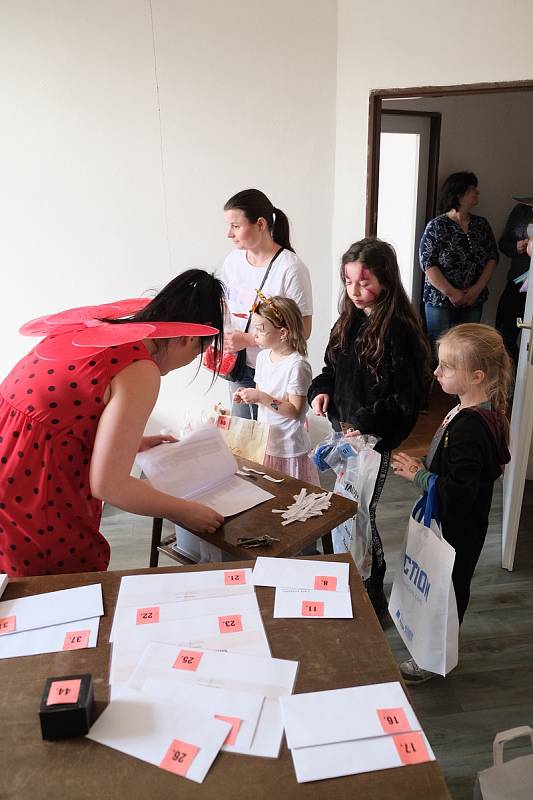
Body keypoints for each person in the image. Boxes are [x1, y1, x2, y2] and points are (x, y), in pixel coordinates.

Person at [0, 269, 226, 577]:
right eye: (200, 351)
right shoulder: (139, 369)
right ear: (189, 338)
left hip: (10, 458)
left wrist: (131, 443)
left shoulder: (93, 331)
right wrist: (185, 511)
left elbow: (64, 417)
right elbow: (109, 485)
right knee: (58, 595)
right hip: (35, 492)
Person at [308, 238, 430, 620]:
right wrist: (321, 391)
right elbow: (329, 369)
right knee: (346, 510)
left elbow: (405, 401)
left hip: (372, 441)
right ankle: (352, 580)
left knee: (361, 514)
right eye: (348, 282)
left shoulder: (399, 331)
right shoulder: (347, 320)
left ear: (386, 280)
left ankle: (372, 591)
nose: (355, 291)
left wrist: (362, 424)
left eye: (364, 282)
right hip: (344, 436)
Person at [392, 323, 511, 683]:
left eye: (446, 366)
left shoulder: (471, 427)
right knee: (446, 585)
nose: (436, 372)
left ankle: (434, 657)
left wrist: (419, 476)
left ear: (476, 376)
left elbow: (459, 493)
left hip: (458, 530)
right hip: (461, 526)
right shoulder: (470, 411)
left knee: (447, 589)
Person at [221, 188, 313, 419]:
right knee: (244, 440)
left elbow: (303, 330)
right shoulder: (232, 262)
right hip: (238, 366)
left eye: (236, 226)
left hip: (276, 369)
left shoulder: (291, 269)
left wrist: (250, 339)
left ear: (260, 224)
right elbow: (225, 307)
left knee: (273, 439)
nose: (229, 234)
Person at [233, 293, 319, 484]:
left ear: (283, 332)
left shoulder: (297, 366)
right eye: (254, 328)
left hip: (289, 449)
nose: (254, 335)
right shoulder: (263, 358)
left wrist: (261, 397)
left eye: (261, 330)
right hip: (266, 444)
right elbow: (260, 395)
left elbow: (296, 412)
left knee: (292, 500)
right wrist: (248, 396)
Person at [419, 171, 499, 363]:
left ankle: (461, 392)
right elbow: (427, 263)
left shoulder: (481, 224)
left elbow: (492, 257)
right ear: (459, 194)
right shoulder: (437, 226)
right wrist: (452, 292)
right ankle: (439, 390)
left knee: (468, 347)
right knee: (440, 348)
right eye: (473, 189)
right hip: (440, 300)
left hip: (474, 298)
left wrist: (476, 290)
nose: (477, 193)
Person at [495, 196, 533, 365]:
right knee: (502, 335)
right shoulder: (520, 210)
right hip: (517, 282)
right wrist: (516, 248)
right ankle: (515, 382)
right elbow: (503, 244)